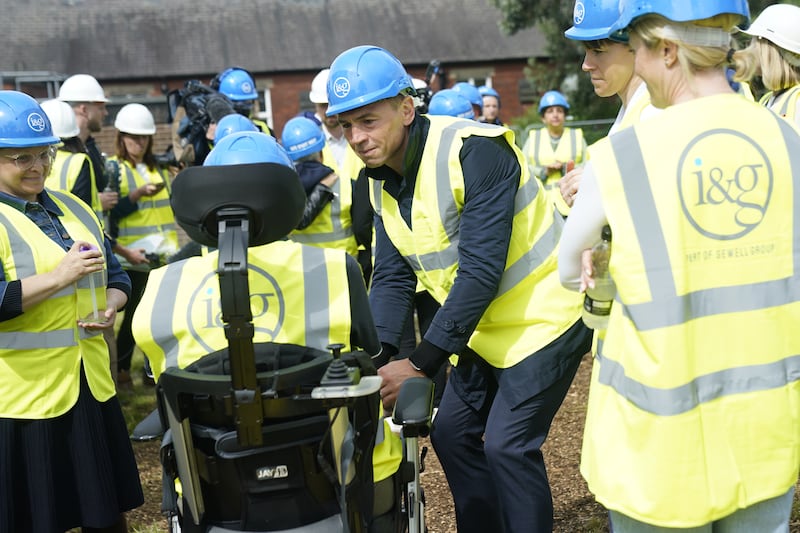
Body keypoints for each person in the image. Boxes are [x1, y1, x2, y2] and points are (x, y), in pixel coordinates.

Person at [326, 45, 592, 533]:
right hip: (483, 329)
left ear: (406, 108)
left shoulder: (477, 150)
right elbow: (392, 273)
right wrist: (384, 354)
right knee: (451, 435)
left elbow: (480, 272)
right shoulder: (378, 180)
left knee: (507, 445)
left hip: (546, 317)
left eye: (368, 120)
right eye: (346, 126)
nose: (357, 138)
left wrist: (420, 362)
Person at [558, 0, 800, 530]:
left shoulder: (622, 156)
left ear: (667, 50)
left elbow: (569, 271)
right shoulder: (788, 142)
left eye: (637, 50)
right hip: (764, 433)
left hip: (659, 448)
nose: (637, 69)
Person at [131, 130, 404, 530]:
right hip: (339, 484)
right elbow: (369, 356)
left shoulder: (162, 286)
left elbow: (162, 380)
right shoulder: (333, 271)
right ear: (284, 192)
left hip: (215, 494)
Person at [0, 90, 142, 532]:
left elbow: (117, 278)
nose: (38, 167)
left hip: (89, 386)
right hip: (26, 400)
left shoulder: (76, 207)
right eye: (22, 158)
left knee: (103, 514)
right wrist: (59, 277)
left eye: (44, 154)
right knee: (39, 517)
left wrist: (112, 307)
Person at [558, 0, 659, 210]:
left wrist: (598, 188)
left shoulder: (653, 115)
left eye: (598, 51)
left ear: (636, 44)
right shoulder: (632, 113)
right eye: (586, 51)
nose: (586, 65)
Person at [108, 103, 178, 387]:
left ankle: (153, 371)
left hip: (164, 254)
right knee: (135, 317)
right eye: (133, 137)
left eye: (144, 137)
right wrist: (135, 195)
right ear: (122, 138)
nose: (138, 143)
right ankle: (123, 369)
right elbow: (111, 213)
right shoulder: (115, 169)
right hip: (133, 256)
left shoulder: (157, 168)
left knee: (161, 318)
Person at [310, 68, 373, 282]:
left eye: (331, 105)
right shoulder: (309, 144)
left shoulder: (364, 137)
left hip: (364, 239)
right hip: (325, 247)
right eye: (322, 106)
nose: (328, 111)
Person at [281, 115, 360, 257]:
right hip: (343, 270)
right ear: (322, 151)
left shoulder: (282, 189)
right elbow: (362, 230)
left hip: (299, 271)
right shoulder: (346, 185)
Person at [522, 90, 588, 217]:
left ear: (565, 115)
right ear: (543, 118)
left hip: (572, 203)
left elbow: (587, 164)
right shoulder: (534, 138)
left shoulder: (576, 136)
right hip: (541, 204)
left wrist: (565, 168)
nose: (555, 115)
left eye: (559, 110)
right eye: (550, 111)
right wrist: (543, 171)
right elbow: (524, 166)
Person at [735, 3, 800, 127]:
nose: (749, 48)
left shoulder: (798, 102)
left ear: (767, 46)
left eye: (752, 41)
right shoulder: (768, 99)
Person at [211, 66, 273, 135]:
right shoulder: (262, 128)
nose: (244, 108)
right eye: (238, 103)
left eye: (247, 102)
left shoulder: (262, 128)